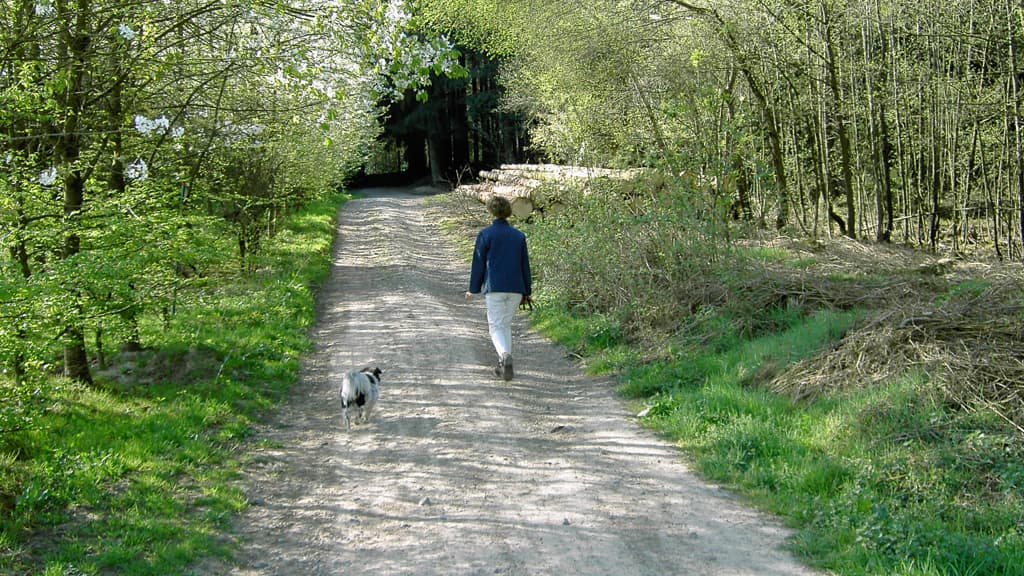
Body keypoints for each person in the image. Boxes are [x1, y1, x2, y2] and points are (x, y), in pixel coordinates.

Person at [465, 195, 532, 381]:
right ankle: (503, 364)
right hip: (516, 289)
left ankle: (504, 356)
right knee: (505, 325)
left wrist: (473, 288)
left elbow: (478, 263)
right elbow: (524, 265)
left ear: (491, 211)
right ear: (509, 211)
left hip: (495, 288)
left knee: (495, 327)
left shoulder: (486, 234)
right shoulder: (519, 236)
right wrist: (527, 291)